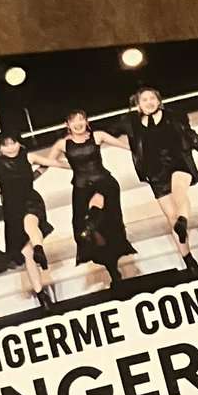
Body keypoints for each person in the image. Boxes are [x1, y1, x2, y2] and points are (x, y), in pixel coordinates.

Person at [123, 87, 198, 275]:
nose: (149, 102)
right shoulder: (133, 125)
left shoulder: (174, 117)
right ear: (138, 105)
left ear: (159, 100)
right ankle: (188, 259)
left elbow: (191, 136)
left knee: (179, 193)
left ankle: (183, 221)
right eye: (144, 100)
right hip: (155, 172)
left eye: (152, 98)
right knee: (171, 216)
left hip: (178, 162)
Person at [31, 111, 135, 291]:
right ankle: (112, 270)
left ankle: (92, 223)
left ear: (87, 122)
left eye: (81, 119)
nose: (78, 123)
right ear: (67, 125)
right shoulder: (62, 144)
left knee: (104, 221)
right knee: (91, 235)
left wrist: (145, 147)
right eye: (73, 121)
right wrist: (28, 179)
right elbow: (45, 164)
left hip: (104, 184)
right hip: (81, 189)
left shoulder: (98, 136)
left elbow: (126, 146)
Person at [0, 131, 57, 305]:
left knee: (31, 223)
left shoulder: (28, 157)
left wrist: (76, 161)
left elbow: (52, 163)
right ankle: (41, 295)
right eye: (5, 145)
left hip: (30, 201)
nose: (10, 147)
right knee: (26, 253)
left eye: (13, 142)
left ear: (19, 143)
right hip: (12, 210)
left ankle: (39, 250)